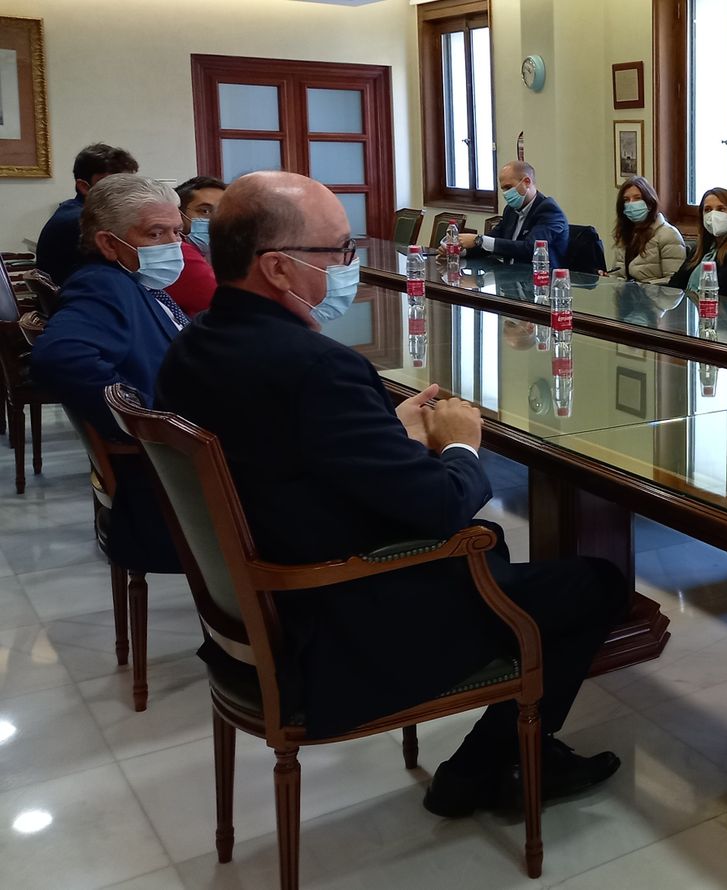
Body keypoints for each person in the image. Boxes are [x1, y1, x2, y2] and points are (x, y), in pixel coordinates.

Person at [156, 171, 628, 816]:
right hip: (347, 619)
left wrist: (388, 433)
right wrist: (461, 442)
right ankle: (490, 766)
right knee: (594, 584)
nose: (349, 267)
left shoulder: (195, 344)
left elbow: (293, 453)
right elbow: (440, 504)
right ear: (277, 269)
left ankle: (506, 758)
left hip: (265, 604)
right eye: (338, 252)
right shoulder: (317, 366)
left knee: (540, 576)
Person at [30, 173, 188, 573]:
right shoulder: (102, 285)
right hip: (169, 485)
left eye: (177, 232)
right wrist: (145, 417)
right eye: (156, 233)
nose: (174, 245)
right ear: (107, 242)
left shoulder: (136, 280)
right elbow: (58, 356)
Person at [35, 143, 139, 284]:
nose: (128, 192)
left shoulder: (72, 209)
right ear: (84, 187)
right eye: (114, 185)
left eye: (129, 184)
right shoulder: (83, 222)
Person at [459, 161, 569, 266]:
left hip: (540, 279)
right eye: (503, 189)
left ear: (526, 182)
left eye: (508, 187)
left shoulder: (549, 210)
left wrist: (479, 240)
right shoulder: (510, 210)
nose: (506, 194)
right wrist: (461, 251)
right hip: (509, 277)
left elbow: (531, 248)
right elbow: (492, 242)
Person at [667, 188, 727, 301]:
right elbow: (675, 284)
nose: (713, 214)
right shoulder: (700, 249)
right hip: (691, 313)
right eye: (708, 210)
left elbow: (721, 289)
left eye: (721, 209)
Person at [165, 175, 227, 315]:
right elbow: (232, 306)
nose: (216, 220)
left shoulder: (213, 254)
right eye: (205, 211)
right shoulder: (180, 253)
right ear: (179, 214)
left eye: (223, 212)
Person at [609, 176, 685, 284]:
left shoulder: (668, 234)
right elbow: (618, 274)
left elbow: (675, 282)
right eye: (626, 200)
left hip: (655, 299)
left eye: (637, 198)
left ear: (649, 202)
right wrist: (607, 278)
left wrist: (643, 287)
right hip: (626, 298)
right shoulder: (626, 234)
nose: (631, 204)